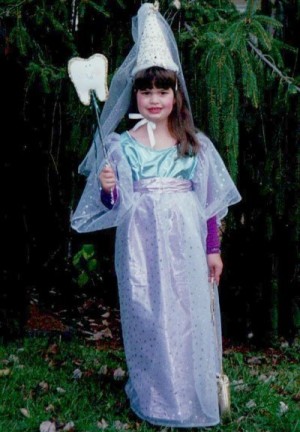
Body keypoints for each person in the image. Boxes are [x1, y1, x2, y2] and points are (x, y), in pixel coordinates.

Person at [71, 2, 241, 428]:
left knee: (186, 312)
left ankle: (190, 388)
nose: (153, 99)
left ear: (175, 94)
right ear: (136, 95)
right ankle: (154, 392)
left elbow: (208, 203)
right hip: (141, 246)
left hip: (185, 245)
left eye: (162, 91)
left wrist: (212, 249)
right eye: (146, 91)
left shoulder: (194, 145)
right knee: (149, 312)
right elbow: (114, 205)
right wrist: (110, 189)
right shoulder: (122, 146)